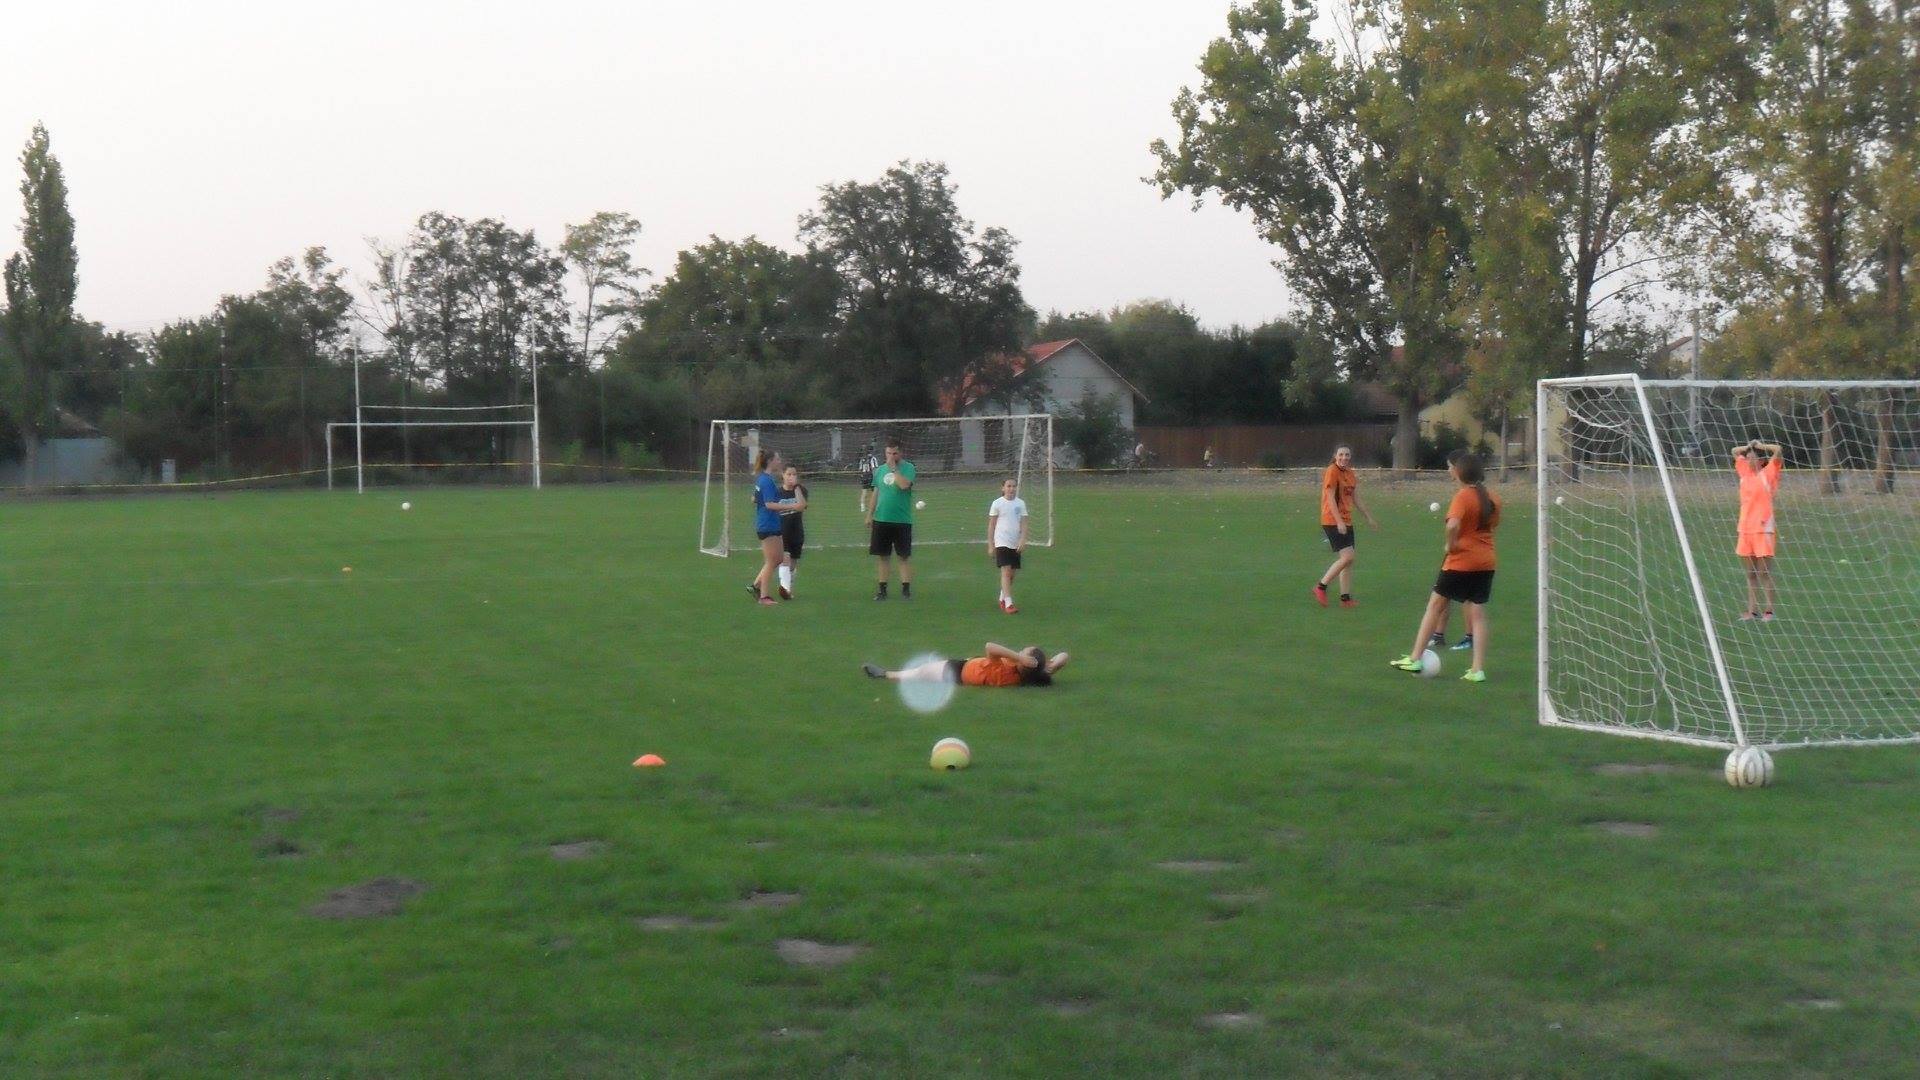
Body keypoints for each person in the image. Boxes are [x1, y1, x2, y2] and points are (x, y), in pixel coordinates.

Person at [1392, 450, 1499, 682]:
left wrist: (1451, 545)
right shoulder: (1492, 497)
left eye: (1452, 467)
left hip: (1461, 561)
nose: (1450, 470)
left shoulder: (1463, 496)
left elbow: (1452, 525)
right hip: (1486, 561)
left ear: (1459, 472)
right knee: (1477, 613)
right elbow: (1492, 526)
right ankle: (1477, 670)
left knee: (1435, 606)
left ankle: (1415, 658)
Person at [1314, 445, 1377, 608]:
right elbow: (1329, 498)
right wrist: (1339, 521)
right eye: (1341, 454)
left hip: (1346, 520)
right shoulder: (1332, 471)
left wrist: (1368, 517)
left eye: (1347, 455)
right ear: (1335, 456)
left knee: (1348, 561)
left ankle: (1345, 599)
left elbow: (1355, 498)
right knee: (1348, 557)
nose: (1344, 457)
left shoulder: (1350, 473)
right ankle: (1321, 586)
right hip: (1332, 520)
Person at [863, 643, 1070, 687]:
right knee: (929, 668)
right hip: (966, 667)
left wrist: (1017, 656)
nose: (1022, 650)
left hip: (958, 671)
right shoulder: (1032, 676)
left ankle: (886, 674)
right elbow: (1064, 656)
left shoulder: (1006, 669)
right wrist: (1050, 667)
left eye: (1024, 652)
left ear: (1024, 663)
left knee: (922, 672)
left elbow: (990, 646)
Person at [1734, 438, 1784, 621]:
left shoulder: (1768, 473)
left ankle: (1769, 611)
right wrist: (1748, 447)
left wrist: (1760, 446)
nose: (1749, 460)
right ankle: (1752, 611)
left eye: (1753, 458)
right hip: (1746, 528)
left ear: (1761, 461)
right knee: (1751, 573)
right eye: (1747, 458)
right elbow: (1734, 451)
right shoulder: (1745, 473)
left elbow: (1778, 449)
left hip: (1763, 528)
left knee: (1764, 572)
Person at [746, 450, 803, 606]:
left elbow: (754, 499)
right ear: (770, 461)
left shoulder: (763, 479)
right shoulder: (766, 481)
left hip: (771, 523)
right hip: (767, 525)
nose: (779, 461)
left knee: (777, 559)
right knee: (772, 561)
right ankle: (764, 596)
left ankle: (756, 587)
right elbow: (769, 504)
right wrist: (793, 506)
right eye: (777, 459)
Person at [868, 436, 916, 600]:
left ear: (900, 453)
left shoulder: (908, 468)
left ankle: (906, 590)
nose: (891, 457)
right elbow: (876, 493)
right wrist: (870, 515)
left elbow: (903, 485)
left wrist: (894, 470)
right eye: (888, 453)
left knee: (903, 556)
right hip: (882, 519)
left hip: (902, 520)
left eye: (894, 453)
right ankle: (882, 590)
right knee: (883, 556)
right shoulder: (880, 470)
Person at [987, 477, 1029, 613]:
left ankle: (1002, 597)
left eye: (1014, 486)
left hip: (1015, 542)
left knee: (1011, 574)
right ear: (1003, 488)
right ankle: (1009, 604)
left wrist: (1022, 540)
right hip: (1001, 541)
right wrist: (991, 544)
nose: (1011, 489)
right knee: (1005, 571)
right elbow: (991, 525)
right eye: (1009, 486)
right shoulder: (997, 503)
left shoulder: (1020, 503)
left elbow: (1024, 523)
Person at [776, 463, 808, 600]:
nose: (791, 477)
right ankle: (785, 590)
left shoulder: (801, 490)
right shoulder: (777, 492)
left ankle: (788, 586)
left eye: (794, 474)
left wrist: (796, 488)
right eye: (788, 474)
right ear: (783, 475)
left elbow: (802, 506)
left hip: (796, 530)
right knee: (785, 559)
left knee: (793, 562)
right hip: (781, 531)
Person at [857, 441, 881, 514]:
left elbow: (860, 469)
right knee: (874, 492)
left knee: (864, 492)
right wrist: (876, 477)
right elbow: (874, 468)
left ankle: (862, 507)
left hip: (864, 476)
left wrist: (861, 476)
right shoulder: (872, 458)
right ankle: (874, 506)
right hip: (871, 476)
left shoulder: (862, 459)